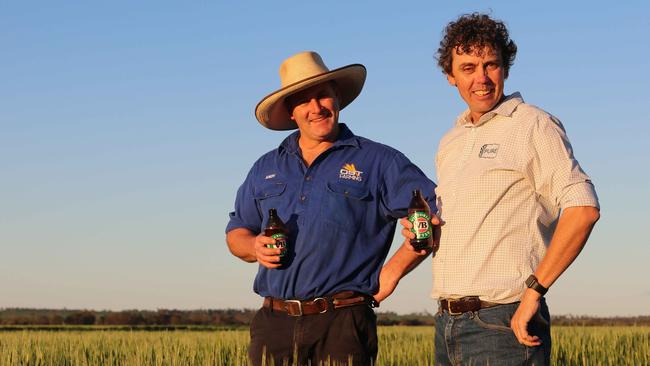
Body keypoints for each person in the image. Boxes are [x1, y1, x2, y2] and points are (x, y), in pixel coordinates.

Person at [399, 13, 600, 365]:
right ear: (450, 76)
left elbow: (583, 209)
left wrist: (534, 293)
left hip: (503, 323)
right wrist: (428, 234)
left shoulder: (532, 125)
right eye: (468, 67)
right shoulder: (451, 141)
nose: (481, 78)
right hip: (446, 323)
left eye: (491, 64)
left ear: (505, 68)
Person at [225, 51, 436, 366]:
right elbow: (236, 232)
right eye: (303, 100)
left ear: (337, 98)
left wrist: (391, 273)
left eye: (323, 95)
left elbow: (432, 216)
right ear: (291, 112)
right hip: (274, 323)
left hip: (344, 322)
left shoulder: (380, 161)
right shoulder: (265, 167)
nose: (316, 107)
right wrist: (254, 246)